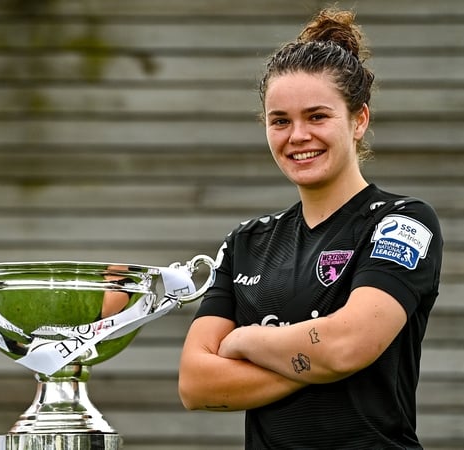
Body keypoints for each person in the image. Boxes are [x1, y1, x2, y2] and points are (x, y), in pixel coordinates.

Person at [178, 7, 443, 449]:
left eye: (317, 116)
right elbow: (195, 384)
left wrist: (246, 340)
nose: (297, 135)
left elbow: (347, 347)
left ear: (359, 120)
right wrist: (319, 360)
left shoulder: (401, 222)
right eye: (280, 120)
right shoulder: (246, 242)